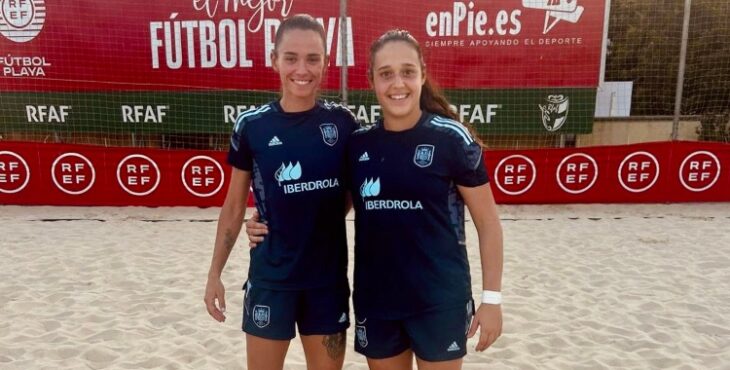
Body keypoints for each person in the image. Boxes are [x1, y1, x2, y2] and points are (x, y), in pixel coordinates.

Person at [248, 29, 504, 369]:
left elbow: (488, 224)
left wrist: (492, 300)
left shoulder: (451, 139)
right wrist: (270, 222)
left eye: (407, 72)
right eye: (386, 74)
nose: (397, 83)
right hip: (377, 303)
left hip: (439, 301)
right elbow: (328, 203)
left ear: (422, 75)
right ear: (372, 80)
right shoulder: (358, 144)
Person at [203, 14, 359, 370]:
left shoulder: (343, 124)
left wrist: (313, 215)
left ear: (325, 62)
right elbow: (232, 206)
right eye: (291, 58)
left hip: (326, 284)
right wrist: (215, 274)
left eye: (312, 58)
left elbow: (353, 192)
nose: (301, 69)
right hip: (271, 280)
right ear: (274, 60)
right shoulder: (253, 126)